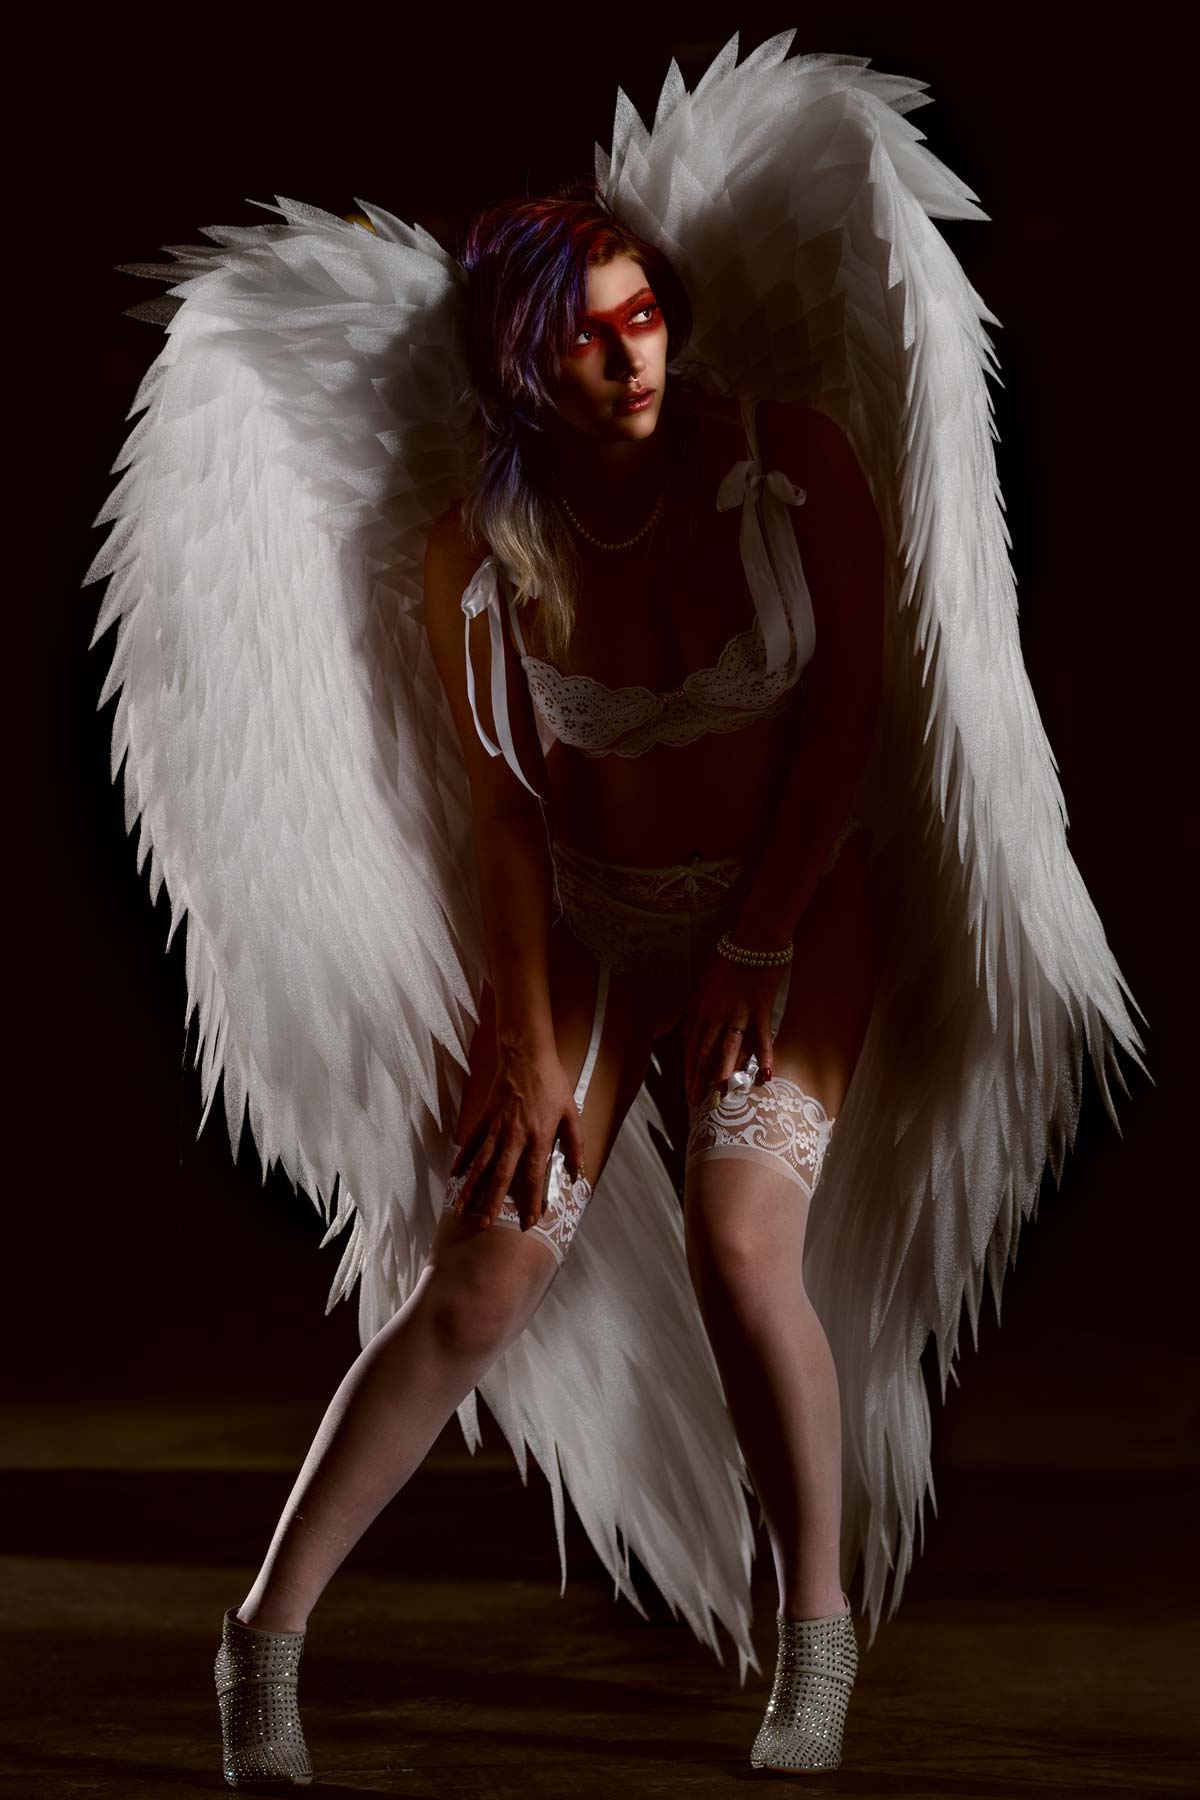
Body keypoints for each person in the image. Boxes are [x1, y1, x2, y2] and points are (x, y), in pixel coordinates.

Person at [87, 35, 1147, 1791]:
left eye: (643, 312)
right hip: (589, 918)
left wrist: (753, 940)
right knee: (479, 1280)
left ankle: (815, 1631)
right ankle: (261, 1640)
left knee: (743, 1247)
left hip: (789, 916)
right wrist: (515, 1031)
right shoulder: (475, 555)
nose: (628, 349)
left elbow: (848, 737)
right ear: (520, 365)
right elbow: (507, 812)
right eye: (586, 329)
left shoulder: (791, 462)